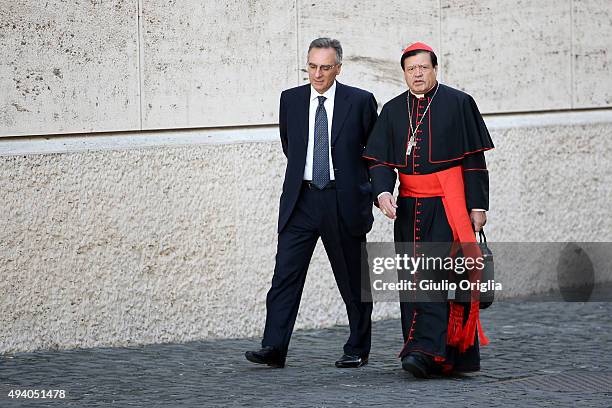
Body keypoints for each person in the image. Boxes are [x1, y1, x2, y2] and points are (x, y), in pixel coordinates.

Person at [363, 42, 494, 378]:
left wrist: (477, 207)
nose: (417, 74)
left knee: (437, 276)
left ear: (435, 69)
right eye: (410, 69)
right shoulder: (393, 110)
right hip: (408, 207)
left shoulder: (459, 103)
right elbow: (378, 159)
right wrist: (382, 193)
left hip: (448, 206)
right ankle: (435, 353)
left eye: (423, 67)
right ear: (404, 73)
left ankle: (426, 352)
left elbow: (474, 160)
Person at [245, 38, 378, 368]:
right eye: (312, 66)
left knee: (352, 279)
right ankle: (274, 347)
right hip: (301, 200)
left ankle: (357, 348)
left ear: (338, 68)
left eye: (325, 67)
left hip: (341, 199)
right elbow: (291, 145)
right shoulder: (290, 100)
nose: (317, 74)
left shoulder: (359, 101)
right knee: (284, 277)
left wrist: (372, 192)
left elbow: (373, 153)